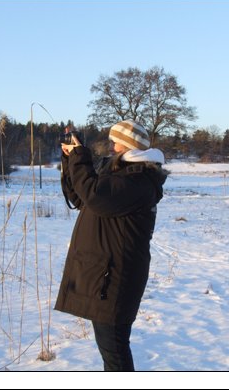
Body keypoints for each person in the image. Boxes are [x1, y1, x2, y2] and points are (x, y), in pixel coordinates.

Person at [54, 119, 168, 371]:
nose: (111, 147)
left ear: (129, 146)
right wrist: (70, 159)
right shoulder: (121, 173)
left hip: (117, 277)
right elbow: (80, 198)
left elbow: (95, 196)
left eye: (115, 142)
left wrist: (80, 156)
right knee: (111, 348)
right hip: (106, 274)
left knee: (114, 349)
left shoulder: (139, 180)